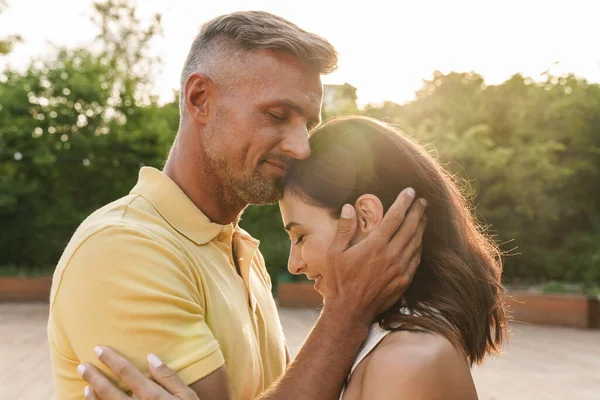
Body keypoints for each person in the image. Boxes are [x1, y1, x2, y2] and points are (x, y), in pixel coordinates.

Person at [48, 11, 427, 400]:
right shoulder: (124, 249)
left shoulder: (239, 248)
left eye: (307, 125)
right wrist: (348, 312)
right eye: (278, 115)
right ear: (200, 99)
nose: (301, 147)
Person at [79, 116, 507, 400]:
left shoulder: (408, 363)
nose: (293, 263)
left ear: (364, 217)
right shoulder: (384, 344)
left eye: (300, 235)